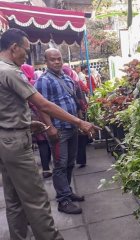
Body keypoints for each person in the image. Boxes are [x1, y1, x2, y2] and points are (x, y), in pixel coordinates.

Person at [0, 28, 98, 240]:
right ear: (13, 47)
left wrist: (24, 123)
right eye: (25, 51)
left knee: (14, 199)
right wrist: (80, 121)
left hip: (7, 138)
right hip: (16, 143)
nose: (26, 55)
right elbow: (43, 104)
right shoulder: (9, 71)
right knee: (36, 199)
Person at [35, 48, 94, 215]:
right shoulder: (43, 81)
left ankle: (67, 191)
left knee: (69, 162)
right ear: (46, 61)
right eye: (52, 59)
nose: (56, 62)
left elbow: (73, 99)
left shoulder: (67, 78)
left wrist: (80, 119)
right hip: (58, 130)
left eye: (59, 59)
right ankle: (63, 200)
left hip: (72, 127)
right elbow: (42, 107)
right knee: (60, 165)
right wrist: (49, 128)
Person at [21, 64, 52, 179]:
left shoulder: (19, 83)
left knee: (39, 143)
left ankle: (44, 168)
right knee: (45, 141)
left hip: (25, 118)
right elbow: (41, 103)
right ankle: (46, 167)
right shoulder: (33, 83)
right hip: (39, 116)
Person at [63, 65, 88, 168]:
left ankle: (70, 161)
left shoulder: (61, 83)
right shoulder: (74, 82)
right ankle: (81, 160)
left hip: (64, 117)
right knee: (80, 138)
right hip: (77, 114)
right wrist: (82, 111)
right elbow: (81, 97)